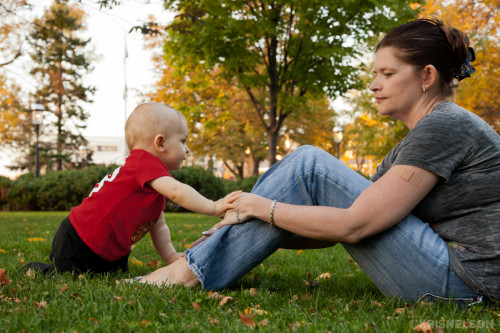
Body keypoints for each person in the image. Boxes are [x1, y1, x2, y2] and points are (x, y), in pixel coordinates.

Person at [134, 18, 500, 303]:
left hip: (465, 286)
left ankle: (187, 273)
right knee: (306, 171)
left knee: (310, 165)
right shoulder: (427, 135)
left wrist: (256, 207)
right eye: (374, 73)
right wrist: (244, 222)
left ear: (427, 77)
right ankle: (196, 264)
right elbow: (345, 229)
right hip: (450, 272)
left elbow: (354, 225)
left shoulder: (444, 126)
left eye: (387, 73)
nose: (373, 84)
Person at [22, 102, 241, 275]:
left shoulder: (150, 178)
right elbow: (178, 192)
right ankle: (37, 270)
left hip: (110, 251)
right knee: (64, 274)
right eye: (183, 141)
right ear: (160, 143)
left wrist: (171, 255)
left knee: (110, 277)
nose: (188, 149)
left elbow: (158, 225)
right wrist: (214, 206)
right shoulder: (145, 163)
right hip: (79, 241)